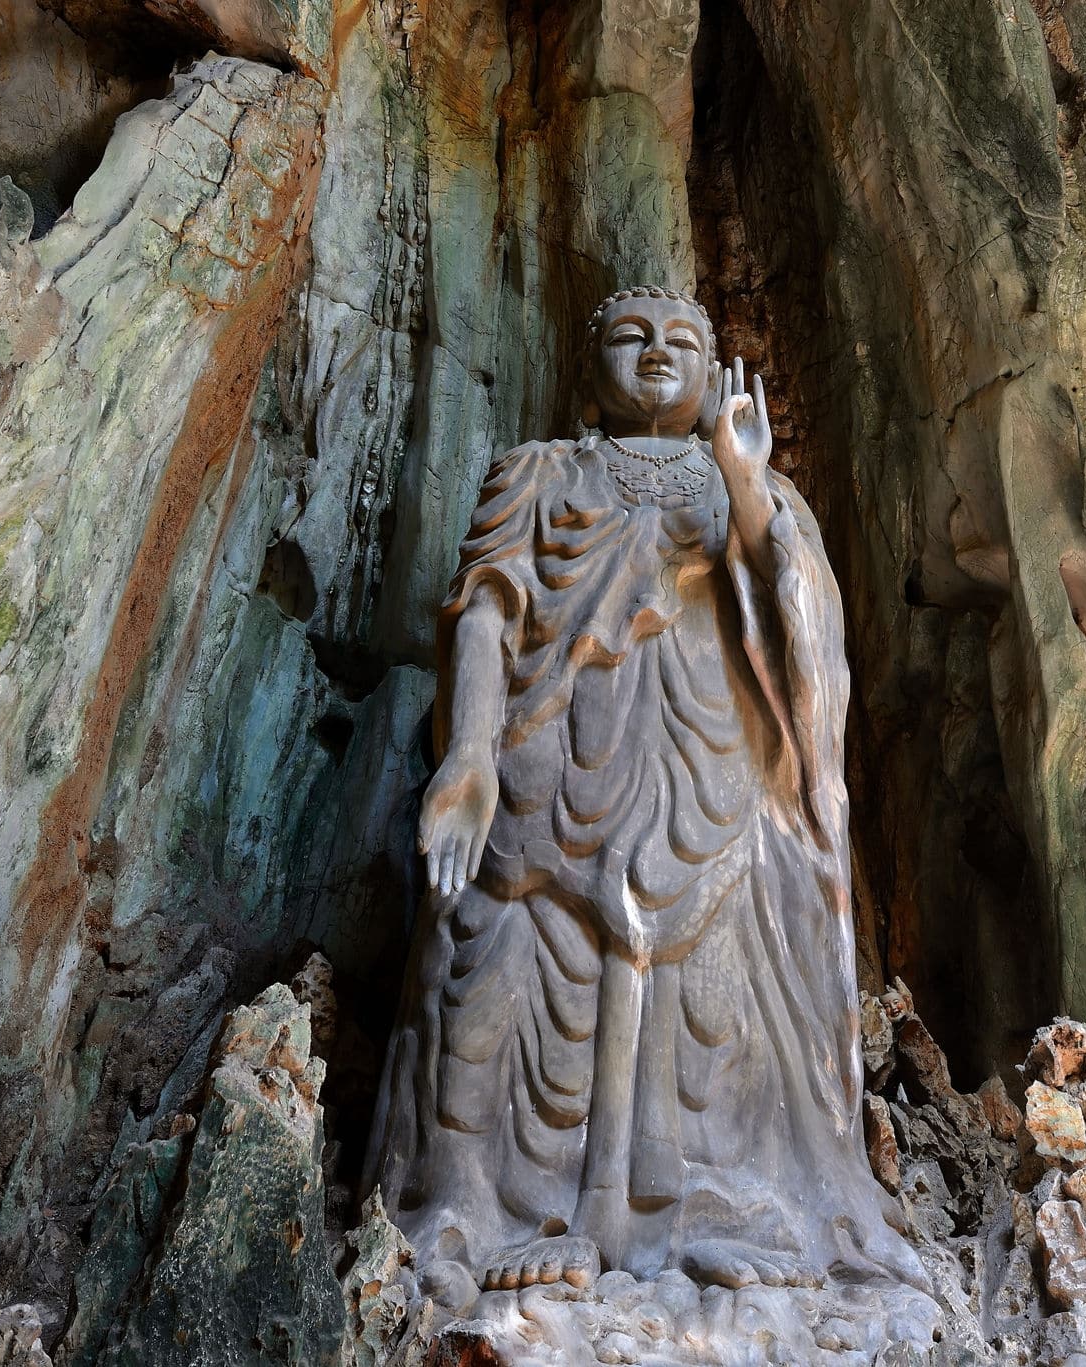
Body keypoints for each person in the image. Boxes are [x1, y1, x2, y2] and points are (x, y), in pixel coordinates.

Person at [365, 285, 922, 1307]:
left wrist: (748, 486)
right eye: (630, 336)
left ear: (713, 369)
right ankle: (492, 1204)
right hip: (544, 772)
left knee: (714, 994)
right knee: (503, 974)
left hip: (707, 778)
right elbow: (487, 610)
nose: (657, 352)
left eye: (682, 341)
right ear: (589, 367)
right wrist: (470, 752)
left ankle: (710, 1204)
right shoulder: (540, 470)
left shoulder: (747, 482)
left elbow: (798, 622)